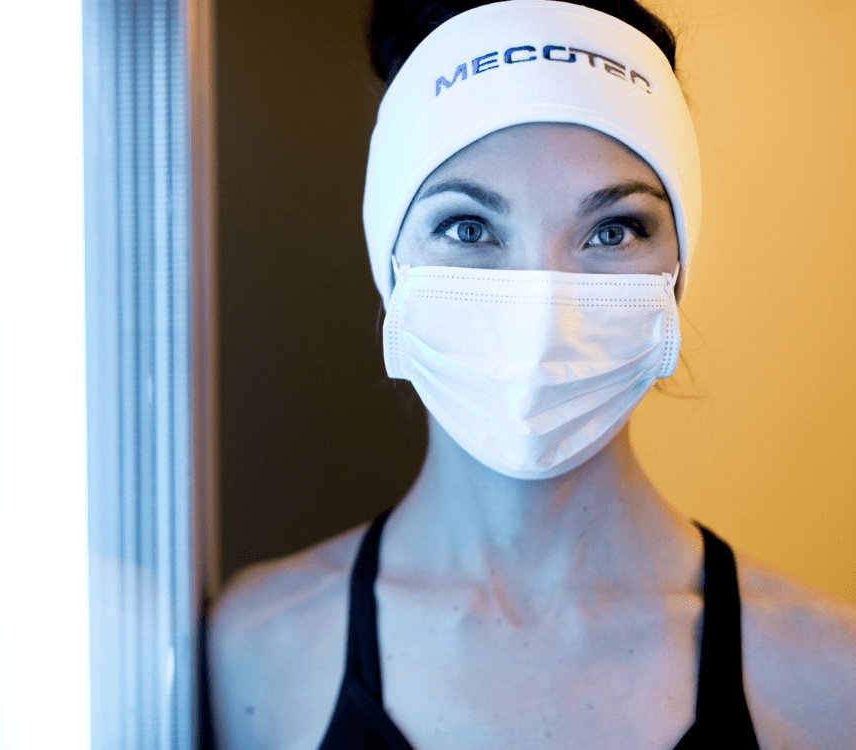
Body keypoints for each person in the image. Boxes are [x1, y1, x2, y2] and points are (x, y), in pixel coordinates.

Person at [207, 1, 856, 748]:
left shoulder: (828, 675)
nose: (543, 306)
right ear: (391, 267)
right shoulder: (254, 651)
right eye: (469, 228)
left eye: (613, 230)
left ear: (677, 273)